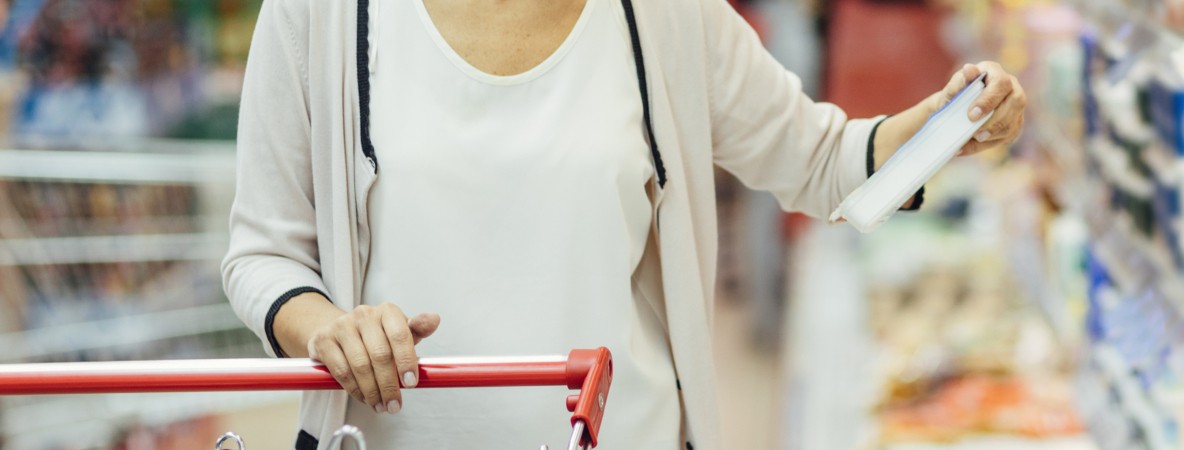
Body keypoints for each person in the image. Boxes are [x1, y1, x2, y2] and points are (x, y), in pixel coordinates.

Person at [221, 0, 1027, 448]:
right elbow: (262, 250)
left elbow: (820, 161)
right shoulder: (319, 16)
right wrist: (326, 326)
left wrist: (942, 131)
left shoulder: (665, 16)